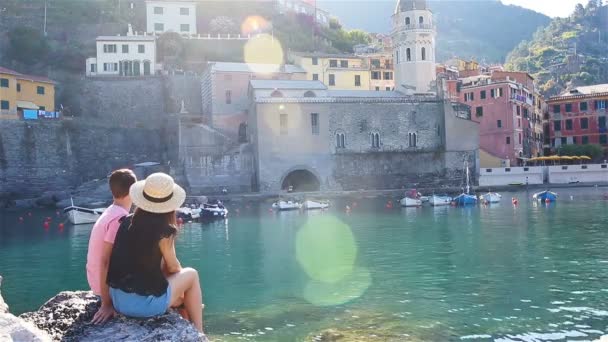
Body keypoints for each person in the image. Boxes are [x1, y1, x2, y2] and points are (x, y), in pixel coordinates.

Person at [106, 173, 204, 333]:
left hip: (117, 299)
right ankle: (199, 332)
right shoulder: (164, 231)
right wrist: (181, 295)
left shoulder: (126, 221)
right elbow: (173, 268)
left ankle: (185, 313)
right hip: (142, 307)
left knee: (174, 289)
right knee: (191, 275)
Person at [87, 169, 137, 324]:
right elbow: (105, 261)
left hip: (96, 283)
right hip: (107, 291)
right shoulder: (119, 219)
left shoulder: (110, 212)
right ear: (132, 191)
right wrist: (106, 304)